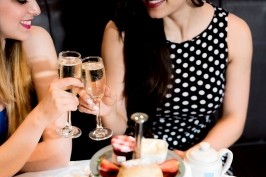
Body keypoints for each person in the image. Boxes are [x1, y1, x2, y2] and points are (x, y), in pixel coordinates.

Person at [78, 0, 252, 160]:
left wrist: (192, 156)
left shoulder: (233, 32)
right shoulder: (121, 31)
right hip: (140, 158)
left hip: (203, 156)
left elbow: (234, 118)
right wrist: (107, 112)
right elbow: (119, 127)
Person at [0, 0, 83, 177]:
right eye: (22, 0)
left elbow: (58, 153)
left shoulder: (35, 39)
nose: (36, 9)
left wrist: (5, 163)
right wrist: (41, 115)